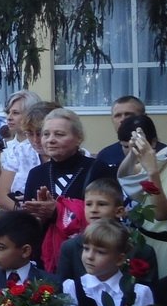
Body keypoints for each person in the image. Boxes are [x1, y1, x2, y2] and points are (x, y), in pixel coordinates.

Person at [23, 108, 111, 266]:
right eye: (46, 134)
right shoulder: (36, 174)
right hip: (44, 259)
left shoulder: (97, 169)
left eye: (59, 134)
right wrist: (38, 218)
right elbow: (30, 225)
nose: (50, 140)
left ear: (78, 138)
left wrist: (58, 211)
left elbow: (107, 215)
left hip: (87, 256)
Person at [117, 106, 167, 278]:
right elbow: (128, 177)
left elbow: (163, 213)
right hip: (145, 241)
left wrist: (153, 172)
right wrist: (134, 152)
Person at [56, 178, 158, 286]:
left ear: (119, 211)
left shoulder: (141, 250)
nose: (93, 209)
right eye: (89, 204)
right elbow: (63, 292)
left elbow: (148, 293)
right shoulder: (70, 247)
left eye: (101, 204)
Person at [94, 95, 146, 171]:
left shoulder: (163, 152)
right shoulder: (105, 156)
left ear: (144, 117)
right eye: (118, 116)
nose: (123, 120)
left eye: (128, 115)